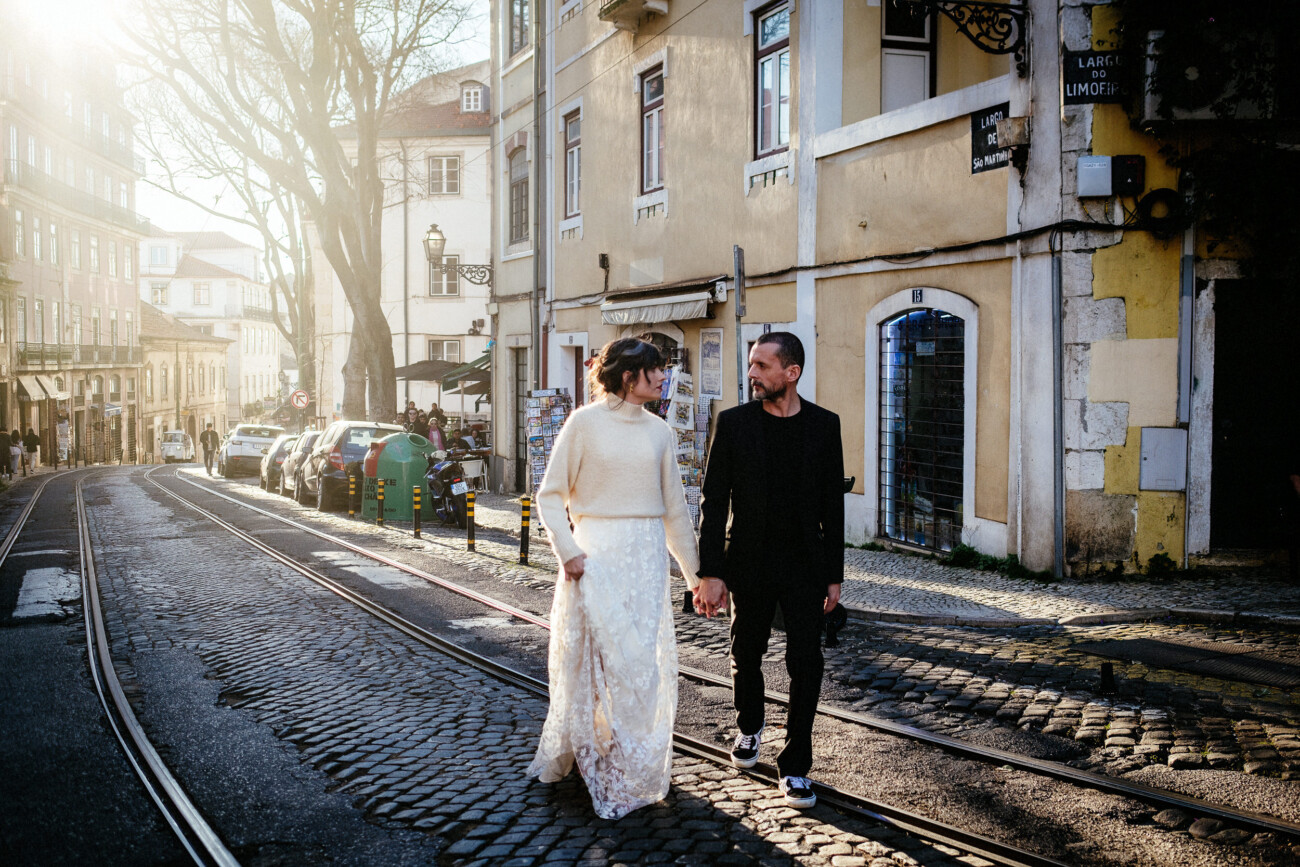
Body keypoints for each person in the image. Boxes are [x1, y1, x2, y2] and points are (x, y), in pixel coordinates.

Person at [527, 337, 700, 820]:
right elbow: (549, 495)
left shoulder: (661, 432)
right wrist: (569, 552)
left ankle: (632, 760)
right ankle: (588, 749)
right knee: (594, 662)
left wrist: (695, 576)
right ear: (629, 377)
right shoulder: (583, 423)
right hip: (594, 559)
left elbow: (674, 512)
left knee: (639, 662)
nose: (664, 378)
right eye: (656, 370)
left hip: (644, 563)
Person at [694, 332, 844, 810]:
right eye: (752, 365)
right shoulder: (734, 424)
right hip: (748, 562)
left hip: (804, 564)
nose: (753, 374)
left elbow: (832, 507)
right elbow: (713, 503)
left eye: (761, 366)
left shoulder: (824, 425)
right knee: (746, 650)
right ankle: (749, 725)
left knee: (807, 663)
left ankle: (797, 764)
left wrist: (833, 574)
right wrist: (711, 571)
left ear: (791, 373)